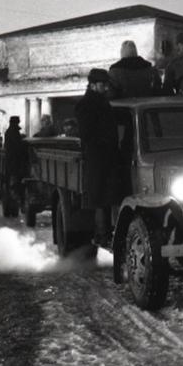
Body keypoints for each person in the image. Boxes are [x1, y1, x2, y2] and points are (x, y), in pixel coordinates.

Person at [74, 68, 120, 246]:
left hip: (103, 156)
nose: (106, 88)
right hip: (97, 156)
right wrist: (104, 142)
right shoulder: (87, 105)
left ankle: (105, 234)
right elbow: (87, 133)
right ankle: (103, 235)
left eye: (106, 85)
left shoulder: (99, 102)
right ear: (93, 85)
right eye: (103, 85)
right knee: (101, 198)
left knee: (104, 197)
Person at [3, 116, 28, 200]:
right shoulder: (13, 132)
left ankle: (15, 195)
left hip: (12, 160)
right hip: (14, 161)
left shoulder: (9, 131)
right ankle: (16, 195)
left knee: (14, 178)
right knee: (15, 178)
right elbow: (18, 145)